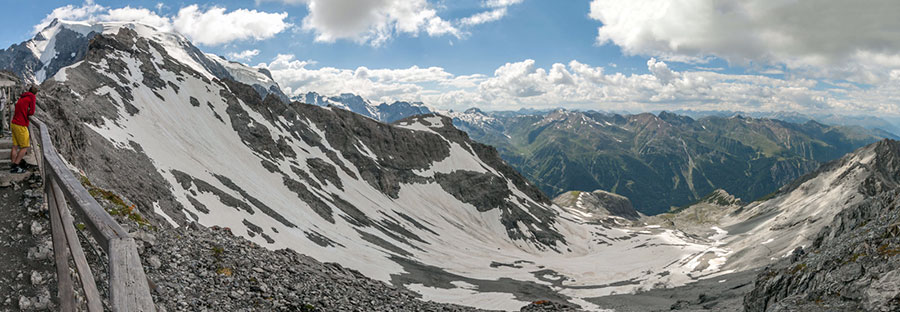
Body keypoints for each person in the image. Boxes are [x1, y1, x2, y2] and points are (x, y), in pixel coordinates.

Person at [10, 85, 37, 174]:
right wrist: (28, 113)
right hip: (21, 124)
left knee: (15, 146)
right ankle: (16, 166)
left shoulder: (23, 96)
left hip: (14, 123)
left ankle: (13, 164)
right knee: (25, 147)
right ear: (35, 93)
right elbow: (32, 111)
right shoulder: (32, 97)